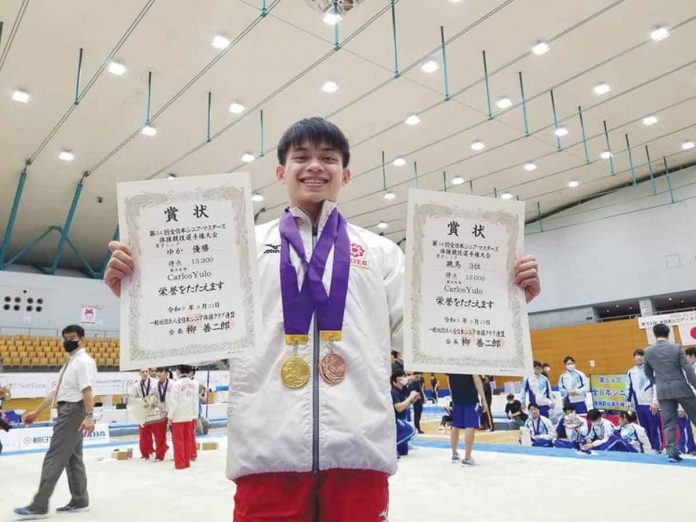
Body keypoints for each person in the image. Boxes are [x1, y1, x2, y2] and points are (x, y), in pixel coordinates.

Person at [103, 117, 542, 520]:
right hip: (266, 448)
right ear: (280, 171)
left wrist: (507, 298)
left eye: (328, 158)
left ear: (345, 174)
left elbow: (422, 333)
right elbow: (197, 325)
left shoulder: (381, 253)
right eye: (302, 157)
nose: (315, 166)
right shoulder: (240, 246)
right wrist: (139, 289)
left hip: (359, 447)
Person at [14, 325, 97, 518]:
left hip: (72, 411)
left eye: (73, 337)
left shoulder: (83, 361)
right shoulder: (69, 363)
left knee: (54, 457)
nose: (69, 340)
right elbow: (56, 393)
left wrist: (89, 416)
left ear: (81, 339)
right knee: (72, 458)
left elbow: (87, 391)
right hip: (67, 409)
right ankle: (80, 500)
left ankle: (39, 505)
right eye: (66, 337)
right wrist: (36, 411)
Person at [643, 323, 696, 463]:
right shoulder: (676, 347)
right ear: (669, 334)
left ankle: (672, 453)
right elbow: (688, 370)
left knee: (669, 423)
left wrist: (657, 381)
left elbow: (647, 372)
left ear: (655, 334)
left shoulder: (648, 351)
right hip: (681, 387)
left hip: (663, 390)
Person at [447, 374, 489, 465]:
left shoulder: (451, 363)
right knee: (470, 426)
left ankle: (454, 453)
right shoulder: (470, 362)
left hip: (457, 399)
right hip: (470, 399)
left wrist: (452, 396)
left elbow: (448, 381)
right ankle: (467, 457)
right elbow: (477, 381)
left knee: (455, 425)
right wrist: (483, 399)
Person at [625, 349, 661, 452]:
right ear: (634, 358)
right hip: (639, 405)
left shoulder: (652, 370)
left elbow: (656, 387)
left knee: (654, 427)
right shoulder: (631, 372)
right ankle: (648, 446)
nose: (639, 357)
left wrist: (655, 402)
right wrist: (628, 401)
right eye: (636, 355)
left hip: (650, 404)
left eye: (641, 355)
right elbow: (629, 388)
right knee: (644, 428)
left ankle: (657, 447)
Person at [167, 365, 199, 470]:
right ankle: (186, 462)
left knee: (178, 440)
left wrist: (170, 416)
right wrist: (195, 415)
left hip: (178, 416)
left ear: (179, 371)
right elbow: (195, 401)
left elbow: (173, 402)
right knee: (187, 439)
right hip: (189, 416)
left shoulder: (177, 384)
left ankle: (180, 463)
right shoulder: (193, 383)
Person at [128, 368, 158, 460]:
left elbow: (159, 394)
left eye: (146, 372)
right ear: (139, 374)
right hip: (143, 411)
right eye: (142, 372)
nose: (145, 373)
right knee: (144, 434)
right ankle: (145, 453)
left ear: (148, 373)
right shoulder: (136, 386)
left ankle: (159, 452)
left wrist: (153, 400)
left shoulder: (155, 383)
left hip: (154, 410)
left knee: (157, 433)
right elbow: (132, 398)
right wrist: (143, 401)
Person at [391, 371, 419, 457]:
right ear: (398, 379)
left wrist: (412, 400)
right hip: (395, 421)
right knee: (412, 430)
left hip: (401, 419)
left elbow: (404, 407)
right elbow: (398, 408)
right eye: (404, 376)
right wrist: (410, 397)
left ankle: (398, 443)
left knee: (404, 452)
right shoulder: (394, 391)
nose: (406, 378)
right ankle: (391, 447)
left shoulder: (401, 391)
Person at [152, 367, 172, 462]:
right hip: (161, 412)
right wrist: (154, 402)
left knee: (175, 434)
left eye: (161, 372)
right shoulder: (155, 387)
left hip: (172, 412)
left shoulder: (173, 384)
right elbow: (153, 398)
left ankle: (178, 454)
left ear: (166, 373)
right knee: (159, 434)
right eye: (158, 372)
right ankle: (159, 455)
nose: (158, 374)